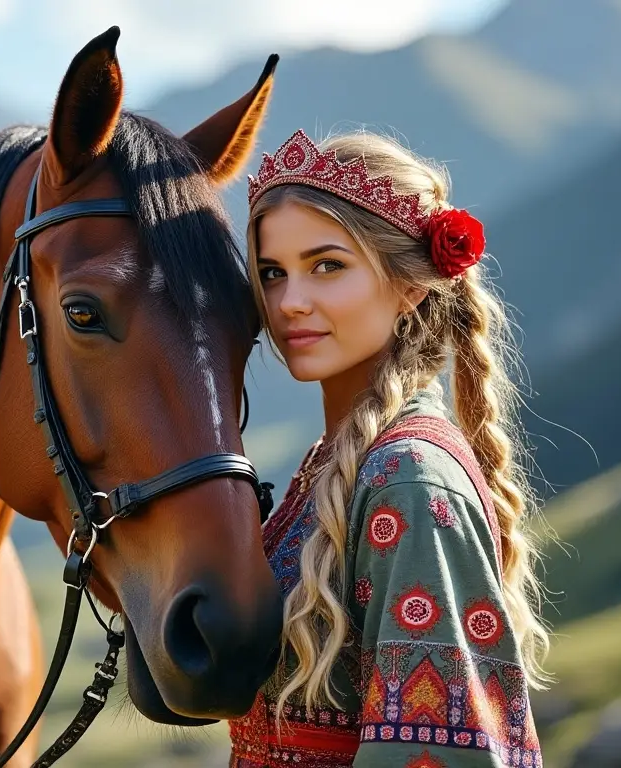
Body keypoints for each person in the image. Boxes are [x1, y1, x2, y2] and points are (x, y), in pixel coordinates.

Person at [228, 128, 549, 768]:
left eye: (327, 266)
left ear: (409, 285)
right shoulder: (340, 458)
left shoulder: (407, 477)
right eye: (271, 273)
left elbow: (432, 754)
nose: (289, 302)